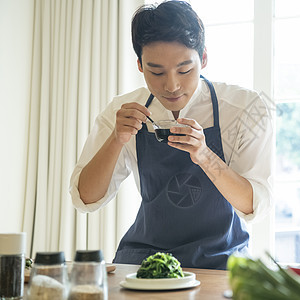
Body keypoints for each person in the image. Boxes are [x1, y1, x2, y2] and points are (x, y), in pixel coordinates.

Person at [70, 0, 273, 270]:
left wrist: (204, 155)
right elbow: (85, 198)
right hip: (143, 261)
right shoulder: (123, 112)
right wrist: (116, 140)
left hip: (220, 262)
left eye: (184, 70)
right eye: (156, 72)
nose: (172, 85)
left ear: (203, 59)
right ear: (140, 66)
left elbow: (254, 205)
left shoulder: (244, 108)